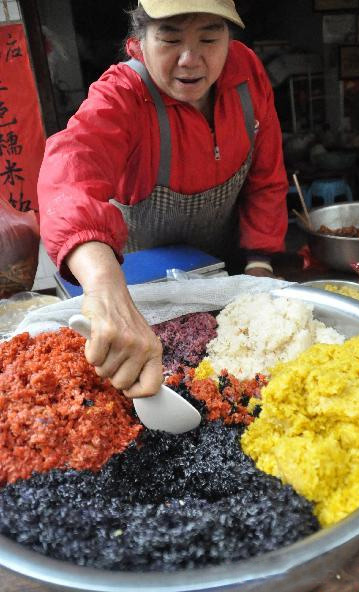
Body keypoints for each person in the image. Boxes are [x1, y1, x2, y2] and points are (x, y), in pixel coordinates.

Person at [38, 0, 288, 399]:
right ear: (139, 38)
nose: (191, 60)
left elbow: (266, 177)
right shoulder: (122, 93)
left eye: (210, 37)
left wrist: (260, 261)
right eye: (170, 38)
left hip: (225, 271)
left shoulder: (246, 75)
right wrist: (105, 287)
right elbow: (70, 170)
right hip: (142, 291)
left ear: (229, 37)